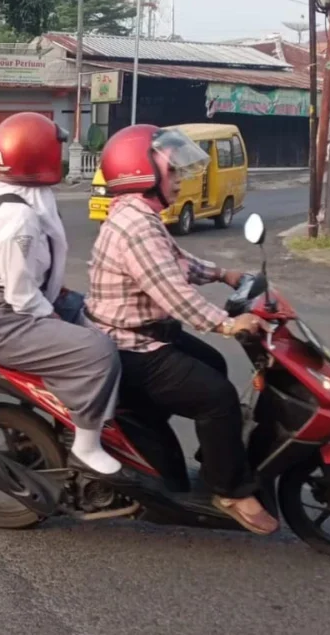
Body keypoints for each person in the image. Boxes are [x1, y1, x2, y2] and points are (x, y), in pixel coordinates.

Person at [85, 123, 277, 534]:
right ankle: (229, 488)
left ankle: (216, 459)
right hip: (130, 347)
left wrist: (224, 274)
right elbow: (172, 292)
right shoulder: (136, 227)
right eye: (171, 172)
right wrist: (227, 324)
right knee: (217, 397)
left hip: (145, 335)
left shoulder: (140, 217)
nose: (178, 180)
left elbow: (176, 262)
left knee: (211, 365)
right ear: (143, 174)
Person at [0, 113, 122, 475]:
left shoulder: (16, 196)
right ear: (37, 155)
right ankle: (86, 446)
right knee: (98, 352)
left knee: (103, 315)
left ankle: (96, 414)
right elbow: (20, 294)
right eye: (56, 148)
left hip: (9, 307)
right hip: (3, 320)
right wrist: (53, 315)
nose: (62, 154)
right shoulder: (18, 218)